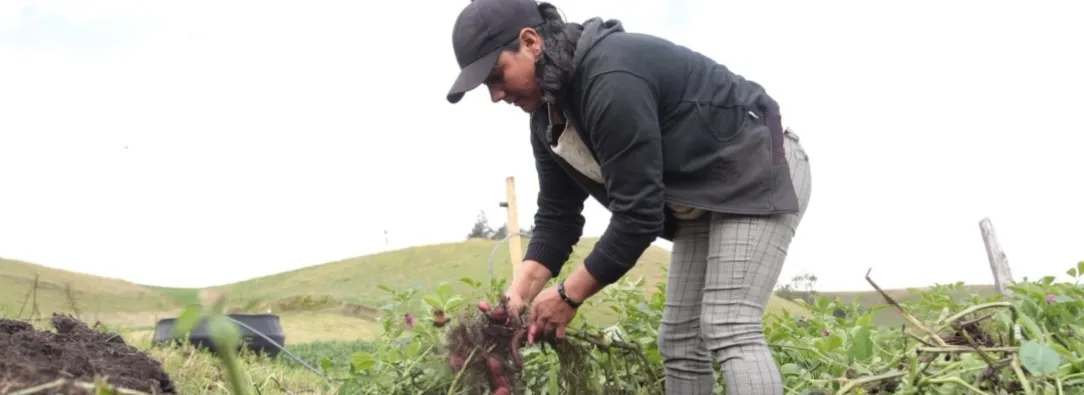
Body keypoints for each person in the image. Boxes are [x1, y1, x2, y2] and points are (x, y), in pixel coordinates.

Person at [445, 0, 813, 393]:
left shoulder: (610, 77)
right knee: (680, 341)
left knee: (729, 325)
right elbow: (557, 217)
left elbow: (639, 215)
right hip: (704, 196)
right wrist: (517, 296)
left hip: (754, 165)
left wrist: (568, 296)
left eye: (497, 76)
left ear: (531, 41)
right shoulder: (548, 118)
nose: (496, 96)